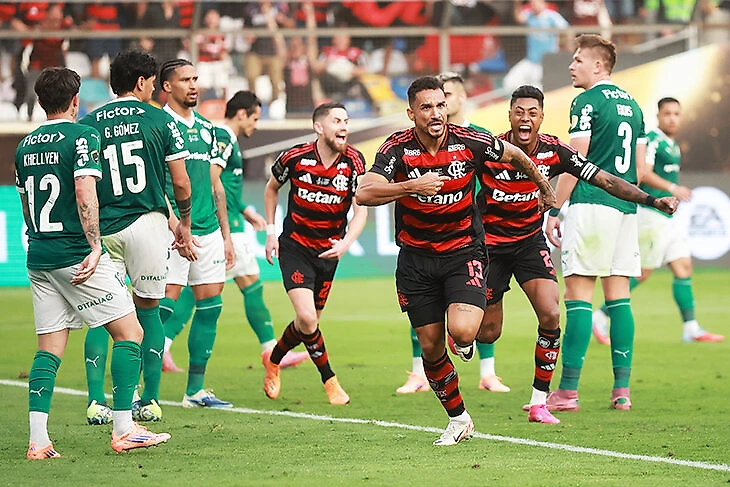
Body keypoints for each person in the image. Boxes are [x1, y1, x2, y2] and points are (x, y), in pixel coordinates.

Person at [356, 76, 556, 446]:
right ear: (412, 113)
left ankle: (464, 342)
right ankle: (459, 419)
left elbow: (515, 155)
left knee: (463, 332)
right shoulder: (397, 148)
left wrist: (543, 186)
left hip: (463, 252)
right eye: (426, 107)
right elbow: (364, 192)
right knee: (431, 348)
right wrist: (410, 186)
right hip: (415, 259)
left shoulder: (471, 141)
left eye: (440, 105)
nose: (435, 113)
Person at [478, 85, 677, 424]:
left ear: (541, 117)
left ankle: (544, 401)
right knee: (486, 333)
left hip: (530, 243)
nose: (525, 118)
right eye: (519, 112)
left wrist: (651, 200)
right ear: (509, 115)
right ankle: (463, 329)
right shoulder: (489, 149)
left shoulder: (556, 149)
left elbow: (604, 179)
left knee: (552, 313)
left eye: (532, 113)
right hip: (492, 247)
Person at [15, 67, 170, 459]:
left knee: (49, 349)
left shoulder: (24, 146)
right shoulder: (82, 135)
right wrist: (95, 245)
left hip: (40, 256)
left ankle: (38, 441)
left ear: (40, 101)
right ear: (75, 100)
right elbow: (85, 192)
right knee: (130, 332)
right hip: (76, 254)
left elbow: (25, 204)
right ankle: (124, 429)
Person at [79, 49, 195, 425]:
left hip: (105, 228)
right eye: (151, 83)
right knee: (148, 310)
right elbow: (180, 181)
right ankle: (150, 400)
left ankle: (96, 401)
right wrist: (184, 222)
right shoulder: (161, 119)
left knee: (102, 314)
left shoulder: (90, 122)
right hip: (147, 225)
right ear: (142, 82)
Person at [161, 91, 309, 372]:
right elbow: (210, 179)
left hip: (225, 221)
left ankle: (163, 347)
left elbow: (224, 184)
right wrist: (227, 222)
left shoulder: (222, 136)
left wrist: (243, 209)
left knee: (199, 291)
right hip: (224, 227)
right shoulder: (224, 137)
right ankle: (271, 350)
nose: (255, 125)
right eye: (255, 118)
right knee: (250, 286)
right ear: (241, 114)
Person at [544, 34, 647, 412]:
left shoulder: (586, 101)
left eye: (578, 60)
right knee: (619, 298)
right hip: (625, 209)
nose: (571, 66)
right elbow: (639, 168)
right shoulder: (634, 106)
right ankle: (622, 390)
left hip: (590, 205)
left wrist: (554, 209)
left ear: (598, 65)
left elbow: (576, 161)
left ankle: (568, 391)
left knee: (579, 297)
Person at [395, 71, 510, 395]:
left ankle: (487, 371)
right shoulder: (409, 144)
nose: (437, 107)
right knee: (426, 312)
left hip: (469, 232)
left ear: (460, 98)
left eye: (445, 97)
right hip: (422, 239)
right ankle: (418, 372)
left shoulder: (479, 137)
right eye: (429, 103)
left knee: (479, 305)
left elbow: (496, 179)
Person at [592, 97, 723, 344]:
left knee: (683, 267)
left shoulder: (673, 145)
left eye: (676, 114)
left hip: (669, 218)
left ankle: (691, 328)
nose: (672, 118)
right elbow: (644, 172)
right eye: (667, 114)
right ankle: (599, 317)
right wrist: (672, 188)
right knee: (642, 272)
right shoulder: (653, 139)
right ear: (658, 116)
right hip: (652, 215)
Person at [262, 102, 368, 405]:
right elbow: (271, 189)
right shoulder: (294, 157)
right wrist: (271, 232)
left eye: (346, 121)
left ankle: (274, 359)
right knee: (308, 318)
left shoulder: (355, 161)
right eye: (337, 121)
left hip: (329, 253)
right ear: (319, 127)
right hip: (295, 247)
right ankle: (330, 381)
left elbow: (361, 210)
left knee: (306, 324)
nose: (344, 126)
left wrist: (346, 243)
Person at [158, 58, 236, 409]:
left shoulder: (207, 128)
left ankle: (195, 391)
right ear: (167, 87)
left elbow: (215, 184)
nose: (193, 85)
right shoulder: (159, 125)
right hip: (171, 233)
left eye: (195, 78)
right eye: (185, 80)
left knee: (210, 308)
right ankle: (139, 392)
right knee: (160, 310)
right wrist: (176, 226)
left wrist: (226, 234)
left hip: (208, 230)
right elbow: (158, 184)